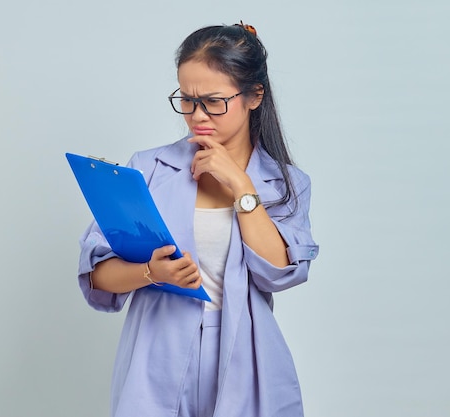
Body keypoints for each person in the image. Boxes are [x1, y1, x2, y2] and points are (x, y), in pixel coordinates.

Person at [78, 22, 319, 417]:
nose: (197, 115)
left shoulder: (286, 184)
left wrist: (241, 186)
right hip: (155, 355)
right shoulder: (148, 169)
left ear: (254, 96)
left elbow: (279, 273)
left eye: (213, 101)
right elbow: (96, 276)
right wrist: (152, 273)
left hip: (246, 357)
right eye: (186, 100)